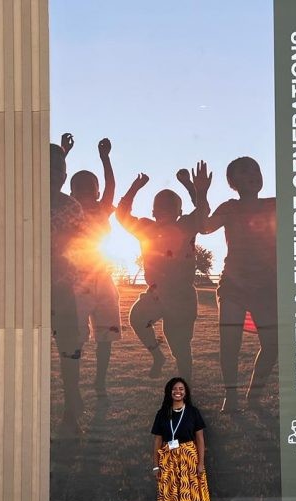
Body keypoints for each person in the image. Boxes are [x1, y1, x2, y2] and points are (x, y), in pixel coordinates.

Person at [116, 161, 212, 383]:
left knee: (180, 348)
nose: (165, 208)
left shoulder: (187, 224)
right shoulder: (145, 227)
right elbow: (121, 215)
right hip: (156, 293)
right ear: (153, 211)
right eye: (160, 205)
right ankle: (157, 357)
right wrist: (135, 187)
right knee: (137, 318)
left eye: (171, 205)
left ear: (180, 212)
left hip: (182, 296)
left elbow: (203, 212)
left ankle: (186, 386)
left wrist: (193, 187)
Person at [195, 156, 277, 413]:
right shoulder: (229, 207)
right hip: (233, 285)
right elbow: (205, 227)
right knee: (229, 344)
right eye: (244, 172)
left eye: (255, 169)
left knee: (273, 344)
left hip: (266, 286)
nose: (252, 174)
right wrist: (199, 193)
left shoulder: (275, 204)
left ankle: (254, 395)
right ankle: (230, 397)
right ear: (232, 182)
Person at [68, 137, 121, 398]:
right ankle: (74, 383)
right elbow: (49, 190)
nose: (86, 190)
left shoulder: (102, 209)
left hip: (104, 280)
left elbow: (111, 184)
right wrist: (64, 155)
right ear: (71, 192)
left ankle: (100, 381)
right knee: (75, 336)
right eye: (79, 187)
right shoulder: (70, 210)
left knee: (106, 334)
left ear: (98, 192)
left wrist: (105, 158)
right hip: (77, 282)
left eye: (91, 186)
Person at [151, 377, 211, 501]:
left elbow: (200, 439)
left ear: (186, 392)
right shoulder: (162, 413)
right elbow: (157, 442)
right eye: (175, 389)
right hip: (169, 461)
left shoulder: (193, 412)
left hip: (189, 460)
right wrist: (156, 465)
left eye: (181, 389)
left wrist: (201, 463)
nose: (178, 391)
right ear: (169, 392)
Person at [50, 143, 86, 426]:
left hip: (62, 286)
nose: (54, 173)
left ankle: (72, 397)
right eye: (48, 167)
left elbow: (80, 243)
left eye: (60, 168)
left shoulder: (71, 205)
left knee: (68, 345)